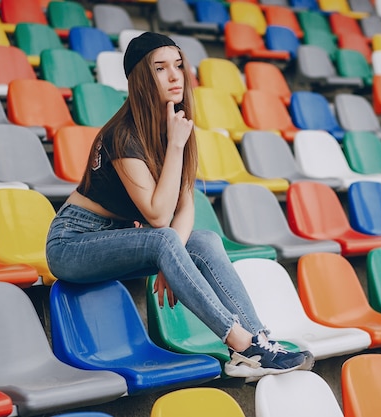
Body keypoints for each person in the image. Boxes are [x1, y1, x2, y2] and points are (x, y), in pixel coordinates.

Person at [45, 32, 312, 378]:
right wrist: (174, 148)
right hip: (73, 243)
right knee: (166, 239)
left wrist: (173, 259)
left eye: (179, 65)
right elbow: (157, 215)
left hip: (124, 238)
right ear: (142, 78)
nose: (175, 76)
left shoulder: (176, 125)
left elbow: (184, 205)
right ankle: (239, 342)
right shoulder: (122, 136)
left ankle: (257, 341)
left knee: (206, 240)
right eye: (160, 68)